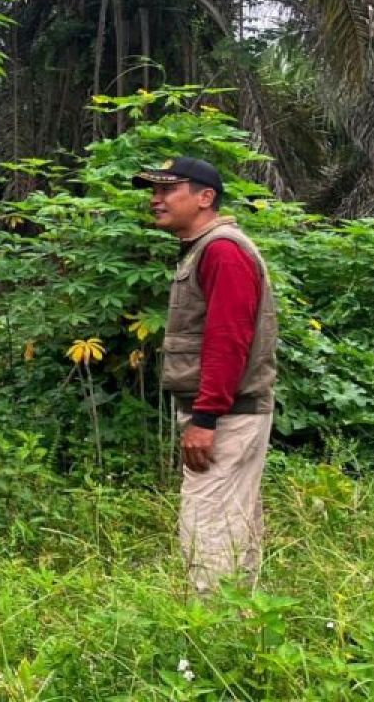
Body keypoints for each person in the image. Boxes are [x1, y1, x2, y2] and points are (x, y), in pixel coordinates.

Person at [133, 156, 278, 594]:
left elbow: (228, 341)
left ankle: (213, 633)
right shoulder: (208, 248)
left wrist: (206, 418)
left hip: (227, 416)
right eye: (152, 191)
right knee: (232, 524)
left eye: (167, 190)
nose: (155, 200)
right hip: (228, 413)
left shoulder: (222, 251)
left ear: (205, 197)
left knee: (209, 526)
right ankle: (240, 626)